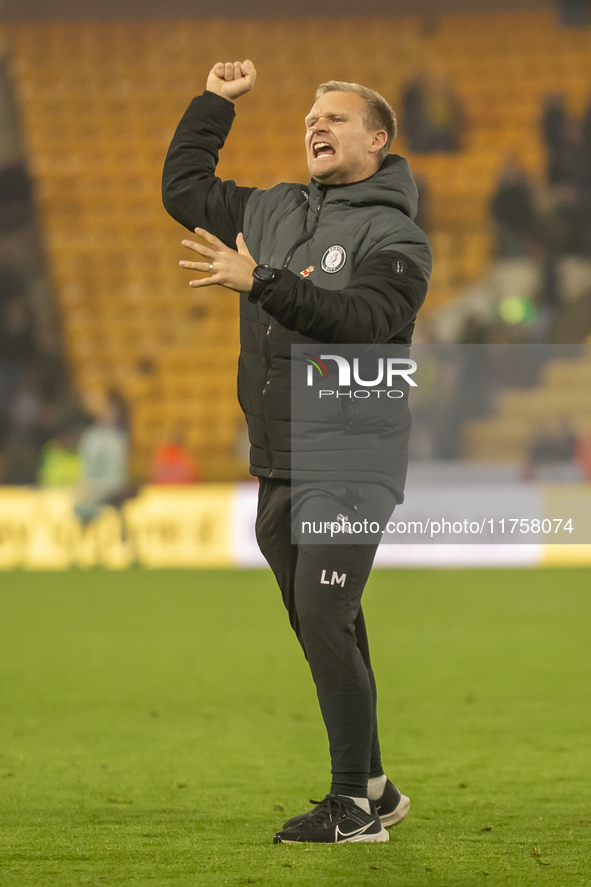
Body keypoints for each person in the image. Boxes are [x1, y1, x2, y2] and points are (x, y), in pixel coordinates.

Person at [162, 59, 432, 844]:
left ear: (377, 140)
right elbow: (183, 189)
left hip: (353, 453)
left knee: (322, 611)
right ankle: (375, 788)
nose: (317, 124)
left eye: (338, 117)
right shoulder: (274, 208)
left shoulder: (396, 233)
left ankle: (350, 805)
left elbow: (367, 319)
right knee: (325, 621)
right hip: (279, 456)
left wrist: (263, 283)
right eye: (312, 116)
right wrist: (215, 102)